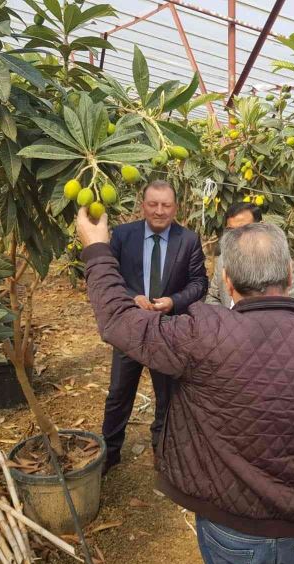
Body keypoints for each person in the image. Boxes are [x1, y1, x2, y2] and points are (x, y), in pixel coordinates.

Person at [77, 210, 294, 564]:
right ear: (288, 275)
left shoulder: (202, 332)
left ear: (228, 283)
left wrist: (97, 248)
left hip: (230, 526)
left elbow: (118, 320)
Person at [101, 180, 208, 474]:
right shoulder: (124, 235)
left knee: (168, 395)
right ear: (142, 204)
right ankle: (109, 453)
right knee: (119, 394)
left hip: (168, 331)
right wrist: (130, 296)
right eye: (153, 204)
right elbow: (109, 275)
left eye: (166, 205)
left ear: (176, 207)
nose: (159, 211)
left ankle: (162, 451)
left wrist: (173, 302)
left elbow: (200, 283)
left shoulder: (187, 240)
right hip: (131, 329)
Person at [206, 203, 294, 307]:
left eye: (245, 228)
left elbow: (292, 297)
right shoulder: (223, 260)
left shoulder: (278, 258)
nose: (237, 236)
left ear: (260, 225)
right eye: (231, 231)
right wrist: (226, 319)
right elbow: (213, 297)